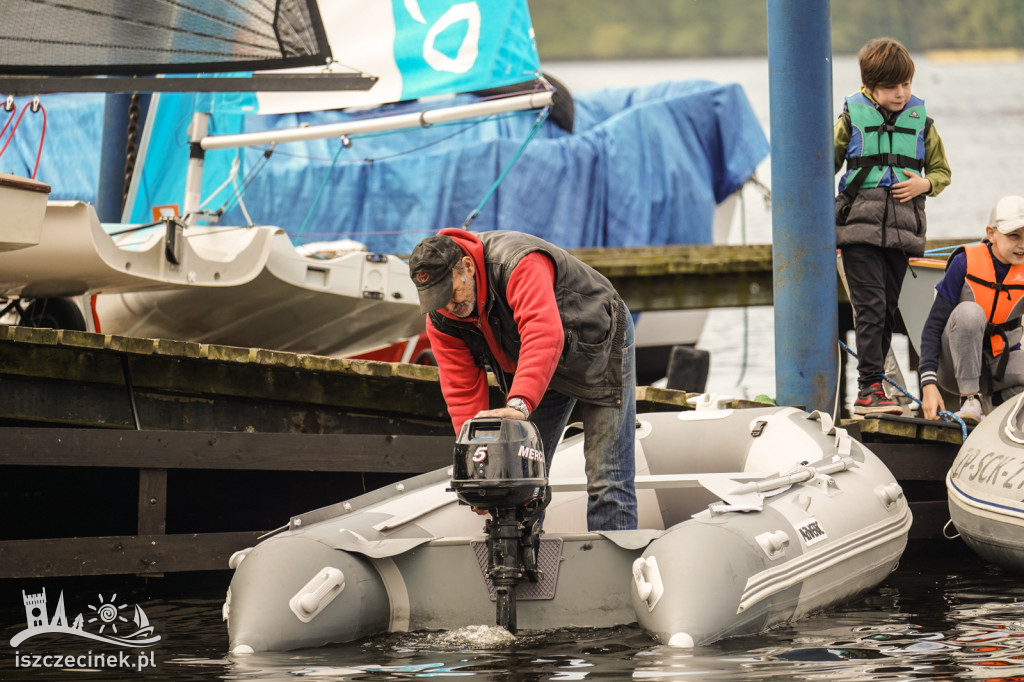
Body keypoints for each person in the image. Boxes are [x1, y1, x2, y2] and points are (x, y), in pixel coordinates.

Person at [408, 227, 637, 531]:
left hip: (597, 344)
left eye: (451, 294)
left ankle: (614, 572)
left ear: (466, 267)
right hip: (532, 360)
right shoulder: (441, 320)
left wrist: (519, 404)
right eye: (437, 300)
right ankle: (528, 573)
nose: (449, 307)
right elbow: (461, 392)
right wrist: (478, 469)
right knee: (516, 480)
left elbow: (543, 334)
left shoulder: (517, 262)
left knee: (606, 477)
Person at [835, 37, 952, 415]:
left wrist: (924, 183)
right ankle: (868, 389)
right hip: (858, 233)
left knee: (886, 309)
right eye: (890, 87)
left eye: (906, 85)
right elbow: (821, 162)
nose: (900, 94)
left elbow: (941, 172)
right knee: (869, 307)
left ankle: (876, 388)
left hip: (903, 236)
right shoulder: (851, 120)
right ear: (869, 87)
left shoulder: (923, 124)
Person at [920, 196, 1024, 425]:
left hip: (999, 368)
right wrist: (928, 383)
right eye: (1014, 235)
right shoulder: (964, 262)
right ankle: (971, 402)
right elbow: (933, 326)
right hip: (954, 372)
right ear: (992, 233)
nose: (1022, 244)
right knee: (970, 312)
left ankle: (998, 408)